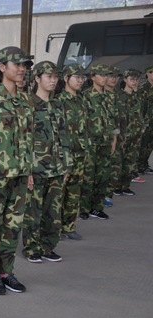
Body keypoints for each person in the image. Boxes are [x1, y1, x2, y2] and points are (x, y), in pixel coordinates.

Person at [0, 46, 34, 295]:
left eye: (25, 65)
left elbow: (28, 138)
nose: (22, 69)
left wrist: (30, 170)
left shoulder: (25, 100)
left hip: (21, 173)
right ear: (2, 67)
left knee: (13, 226)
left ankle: (6, 271)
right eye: (17, 64)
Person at [21, 61, 73, 263]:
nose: (53, 80)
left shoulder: (58, 104)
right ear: (37, 79)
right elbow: (23, 139)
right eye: (49, 77)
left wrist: (66, 164)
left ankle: (48, 246)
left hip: (57, 167)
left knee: (54, 211)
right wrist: (27, 170)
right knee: (33, 211)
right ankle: (32, 248)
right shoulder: (28, 104)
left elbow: (64, 135)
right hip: (36, 168)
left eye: (55, 77)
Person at [79, 64, 118, 220]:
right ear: (93, 77)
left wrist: (114, 139)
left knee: (103, 176)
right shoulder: (85, 96)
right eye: (101, 75)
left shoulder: (110, 97)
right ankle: (84, 208)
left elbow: (113, 121)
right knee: (88, 176)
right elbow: (82, 122)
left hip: (106, 142)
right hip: (91, 143)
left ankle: (97, 207)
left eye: (106, 75)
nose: (104, 78)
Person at [56, 63, 89, 240]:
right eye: (77, 77)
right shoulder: (59, 101)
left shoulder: (81, 100)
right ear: (66, 78)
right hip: (64, 155)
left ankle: (69, 226)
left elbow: (85, 129)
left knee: (75, 192)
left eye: (82, 78)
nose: (80, 81)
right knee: (59, 193)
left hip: (80, 153)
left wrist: (85, 151)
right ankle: (56, 228)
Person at [116, 69, 145, 196]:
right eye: (132, 79)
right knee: (119, 162)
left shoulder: (138, 96)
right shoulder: (119, 96)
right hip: (123, 135)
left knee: (130, 161)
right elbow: (117, 118)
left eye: (137, 80)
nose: (135, 82)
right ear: (125, 80)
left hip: (135, 135)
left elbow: (140, 116)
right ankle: (117, 187)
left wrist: (139, 133)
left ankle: (125, 186)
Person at [104, 67, 125, 206]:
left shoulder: (120, 95)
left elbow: (121, 118)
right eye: (110, 76)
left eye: (116, 76)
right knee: (101, 169)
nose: (113, 79)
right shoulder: (98, 95)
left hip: (117, 136)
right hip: (101, 138)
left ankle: (108, 194)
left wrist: (119, 137)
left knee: (115, 166)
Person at [137, 65, 153, 175]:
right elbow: (140, 107)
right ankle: (139, 166)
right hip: (146, 121)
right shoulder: (142, 89)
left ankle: (144, 164)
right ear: (148, 74)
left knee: (150, 145)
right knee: (143, 144)